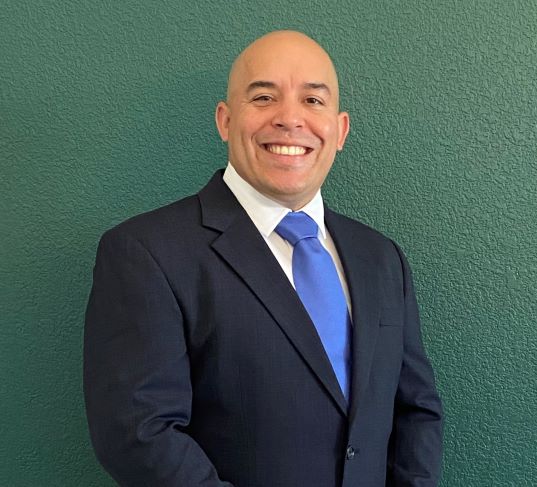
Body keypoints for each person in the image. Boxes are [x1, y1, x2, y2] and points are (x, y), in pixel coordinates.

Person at [84, 30, 443, 487]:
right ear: (226, 121)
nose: (290, 119)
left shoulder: (381, 257)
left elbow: (416, 409)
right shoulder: (145, 253)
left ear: (341, 130)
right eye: (264, 97)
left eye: (313, 101)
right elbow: (138, 434)